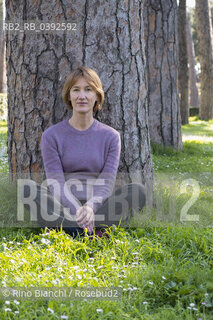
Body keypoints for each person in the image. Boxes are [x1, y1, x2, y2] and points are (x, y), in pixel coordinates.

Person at [25, 66, 146, 237]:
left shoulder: (111, 136)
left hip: (99, 207)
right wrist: (78, 211)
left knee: (137, 191)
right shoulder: (51, 136)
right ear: (69, 95)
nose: (82, 96)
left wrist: (89, 207)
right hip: (63, 207)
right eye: (76, 90)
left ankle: (73, 231)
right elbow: (56, 183)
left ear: (97, 96)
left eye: (88, 90)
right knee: (28, 190)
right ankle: (91, 232)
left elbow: (106, 182)